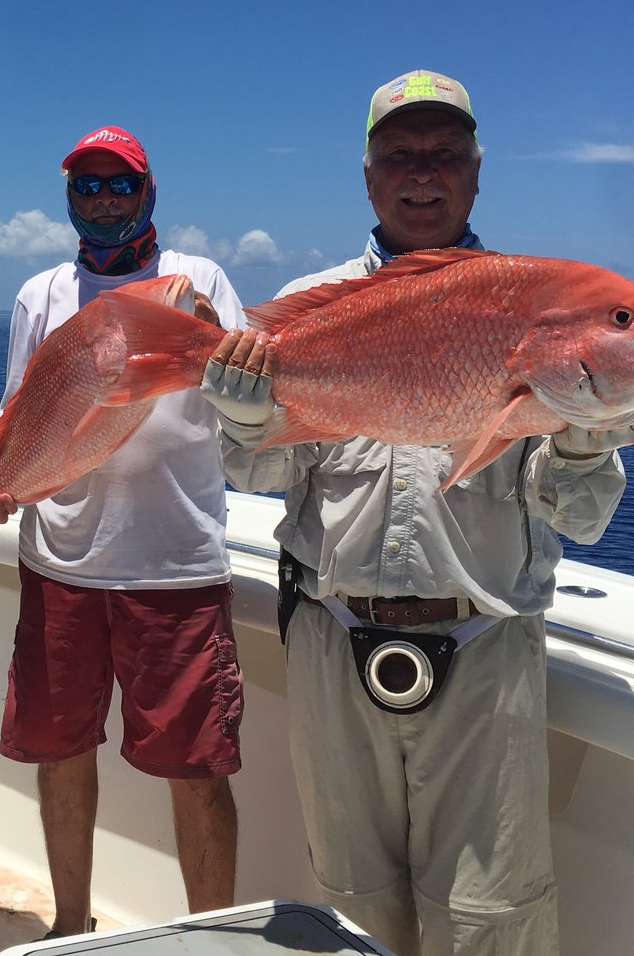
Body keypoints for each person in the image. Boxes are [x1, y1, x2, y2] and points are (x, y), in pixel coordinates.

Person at [203, 70, 629, 956]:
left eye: (444, 154)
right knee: (352, 905)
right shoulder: (310, 306)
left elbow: (579, 517)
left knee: (490, 919)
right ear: (368, 175)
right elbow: (257, 468)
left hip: (484, 652)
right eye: (401, 154)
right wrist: (246, 413)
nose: (422, 172)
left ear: (477, 172)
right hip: (330, 637)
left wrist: (586, 438)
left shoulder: (535, 305)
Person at [0, 126, 245, 939]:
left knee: (196, 769)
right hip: (60, 562)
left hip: (175, 567)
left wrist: (226, 353)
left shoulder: (195, 278)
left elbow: (246, 400)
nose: (103, 201)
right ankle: (70, 927)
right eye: (86, 187)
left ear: (148, 193)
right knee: (62, 752)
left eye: (118, 186)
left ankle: (208, 937)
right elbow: (15, 418)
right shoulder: (40, 295)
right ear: (69, 199)